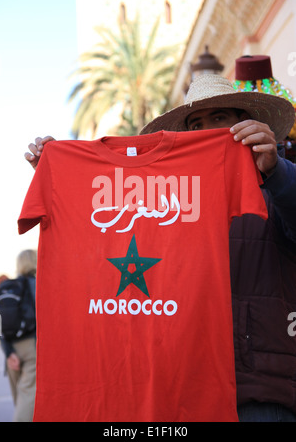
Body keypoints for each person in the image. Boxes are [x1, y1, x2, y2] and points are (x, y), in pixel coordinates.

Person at [24, 73, 296, 422]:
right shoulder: (167, 196)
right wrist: (61, 178)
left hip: (258, 393)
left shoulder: (275, 184)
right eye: (195, 123)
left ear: (244, 125)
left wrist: (276, 172)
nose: (205, 130)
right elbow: (103, 237)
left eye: (218, 118)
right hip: (184, 389)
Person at [0, 250, 37, 422]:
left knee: (20, 401)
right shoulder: (36, 284)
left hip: (11, 348)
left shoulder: (9, 288)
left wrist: (8, 353)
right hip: (31, 347)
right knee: (27, 400)